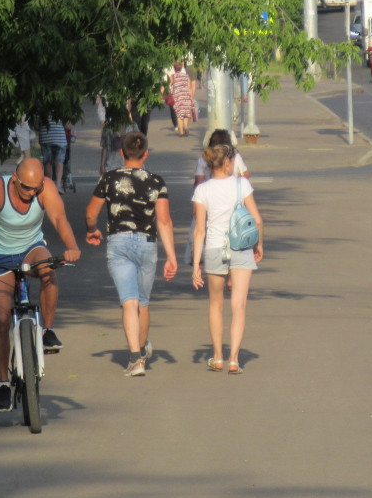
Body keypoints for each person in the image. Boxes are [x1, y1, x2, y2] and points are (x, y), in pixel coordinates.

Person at [0, 158, 82, 412]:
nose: (31, 193)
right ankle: (4, 384)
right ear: (15, 179)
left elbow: (60, 219)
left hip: (31, 249)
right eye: (26, 188)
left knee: (49, 269)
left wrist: (71, 247)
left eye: (36, 189)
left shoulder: (43, 188)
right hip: (0, 255)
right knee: (2, 318)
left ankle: (47, 329)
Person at [85, 132, 177, 376]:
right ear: (146, 154)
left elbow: (90, 214)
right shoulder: (157, 182)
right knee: (143, 303)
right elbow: (165, 221)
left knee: (129, 301)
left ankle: (136, 358)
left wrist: (92, 230)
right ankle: (141, 352)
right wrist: (172, 256)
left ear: (122, 153)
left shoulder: (109, 178)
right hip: (147, 244)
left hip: (119, 243)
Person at [191, 143, 264, 375]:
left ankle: (217, 356)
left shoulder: (202, 190)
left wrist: (195, 265)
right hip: (241, 246)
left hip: (213, 248)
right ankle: (234, 359)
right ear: (228, 163)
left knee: (215, 303)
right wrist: (258, 244)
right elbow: (257, 219)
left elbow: (199, 230)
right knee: (239, 305)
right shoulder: (242, 185)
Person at [187, 129, 250, 265]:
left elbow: (198, 181)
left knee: (200, 228)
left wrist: (196, 205)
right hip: (234, 197)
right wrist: (239, 184)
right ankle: (232, 270)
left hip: (208, 197)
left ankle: (197, 254)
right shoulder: (235, 155)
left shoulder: (204, 157)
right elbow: (245, 174)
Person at [37, 117, 68, 187]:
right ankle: (58, 184)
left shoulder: (40, 108)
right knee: (59, 162)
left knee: (48, 162)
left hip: (45, 137)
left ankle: (49, 184)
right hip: (60, 138)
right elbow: (68, 126)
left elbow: (36, 126)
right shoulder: (63, 108)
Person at [169, 60, 196, 137]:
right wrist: (191, 98)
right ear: (181, 68)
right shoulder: (186, 76)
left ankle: (181, 132)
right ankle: (186, 127)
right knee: (186, 114)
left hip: (177, 97)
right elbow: (189, 87)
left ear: (174, 69)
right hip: (186, 96)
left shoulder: (172, 76)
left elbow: (169, 85)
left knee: (179, 115)